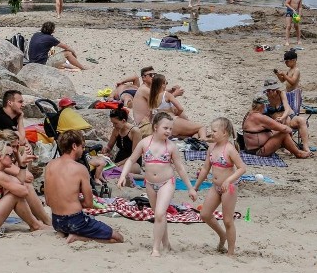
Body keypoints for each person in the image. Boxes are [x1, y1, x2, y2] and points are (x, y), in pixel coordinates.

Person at [117, 112, 197, 257]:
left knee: (160, 214)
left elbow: (180, 168)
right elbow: (131, 160)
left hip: (167, 183)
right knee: (159, 215)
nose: (168, 131)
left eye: (170, 129)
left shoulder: (171, 147)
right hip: (149, 184)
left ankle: (155, 249)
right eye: (165, 128)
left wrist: (190, 188)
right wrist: (123, 175)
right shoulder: (144, 143)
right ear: (155, 127)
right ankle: (166, 244)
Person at [46, 130, 124, 243]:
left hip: (56, 221)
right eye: (82, 146)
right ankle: (78, 237)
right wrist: (75, 201)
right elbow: (89, 204)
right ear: (74, 146)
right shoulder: (80, 169)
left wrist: (68, 201)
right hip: (75, 221)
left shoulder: (50, 165)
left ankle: (65, 233)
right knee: (117, 238)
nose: (83, 150)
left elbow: (48, 201)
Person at [195, 117, 247, 256]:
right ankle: (222, 235)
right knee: (205, 214)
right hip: (215, 187)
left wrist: (228, 181)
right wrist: (196, 187)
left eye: (214, 131)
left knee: (228, 220)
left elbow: (242, 168)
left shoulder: (229, 149)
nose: (211, 133)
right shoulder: (212, 147)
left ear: (224, 133)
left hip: (228, 188)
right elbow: (206, 168)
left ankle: (231, 252)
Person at [241, 96, 311, 158]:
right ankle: (298, 153)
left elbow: (262, 127)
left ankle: (290, 149)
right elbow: (284, 129)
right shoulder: (260, 117)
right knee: (284, 133)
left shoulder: (249, 114)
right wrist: (289, 131)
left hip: (249, 149)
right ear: (262, 106)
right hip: (259, 151)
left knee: (280, 131)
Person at [89, 108, 143, 186]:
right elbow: (109, 146)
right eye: (112, 123)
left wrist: (118, 164)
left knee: (115, 171)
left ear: (123, 121)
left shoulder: (135, 131)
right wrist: (105, 150)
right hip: (119, 159)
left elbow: (134, 155)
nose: (114, 125)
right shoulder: (116, 130)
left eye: (116, 123)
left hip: (133, 162)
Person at [147, 73, 206, 139]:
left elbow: (150, 115)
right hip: (171, 121)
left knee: (193, 133)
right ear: (162, 84)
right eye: (166, 83)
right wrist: (176, 116)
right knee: (201, 127)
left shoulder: (151, 97)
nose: (166, 85)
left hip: (159, 124)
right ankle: (203, 142)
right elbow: (180, 109)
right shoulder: (166, 95)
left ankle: (194, 141)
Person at [262, 78, 312, 155]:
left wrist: (283, 117)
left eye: (271, 90)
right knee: (285, 120)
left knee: (302, 120)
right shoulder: (264, 97)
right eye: (267, 90)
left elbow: (287, 108)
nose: (269, 92)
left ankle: (305, 147)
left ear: (275, 89)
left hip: (288, 116)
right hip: (275, 121)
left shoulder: (281, 93)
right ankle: (288, 145)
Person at [276, 50, 302, 115]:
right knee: (288, 109)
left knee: (294, 111)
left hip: (295, 93)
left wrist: (284, 75)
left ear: (294, 60)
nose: (286, 63)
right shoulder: (289, 70)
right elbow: (282, 80)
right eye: (285, 62)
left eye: (287, 61)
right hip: (288, 92)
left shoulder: (296, 70)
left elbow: (293, 82)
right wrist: (278, 74)